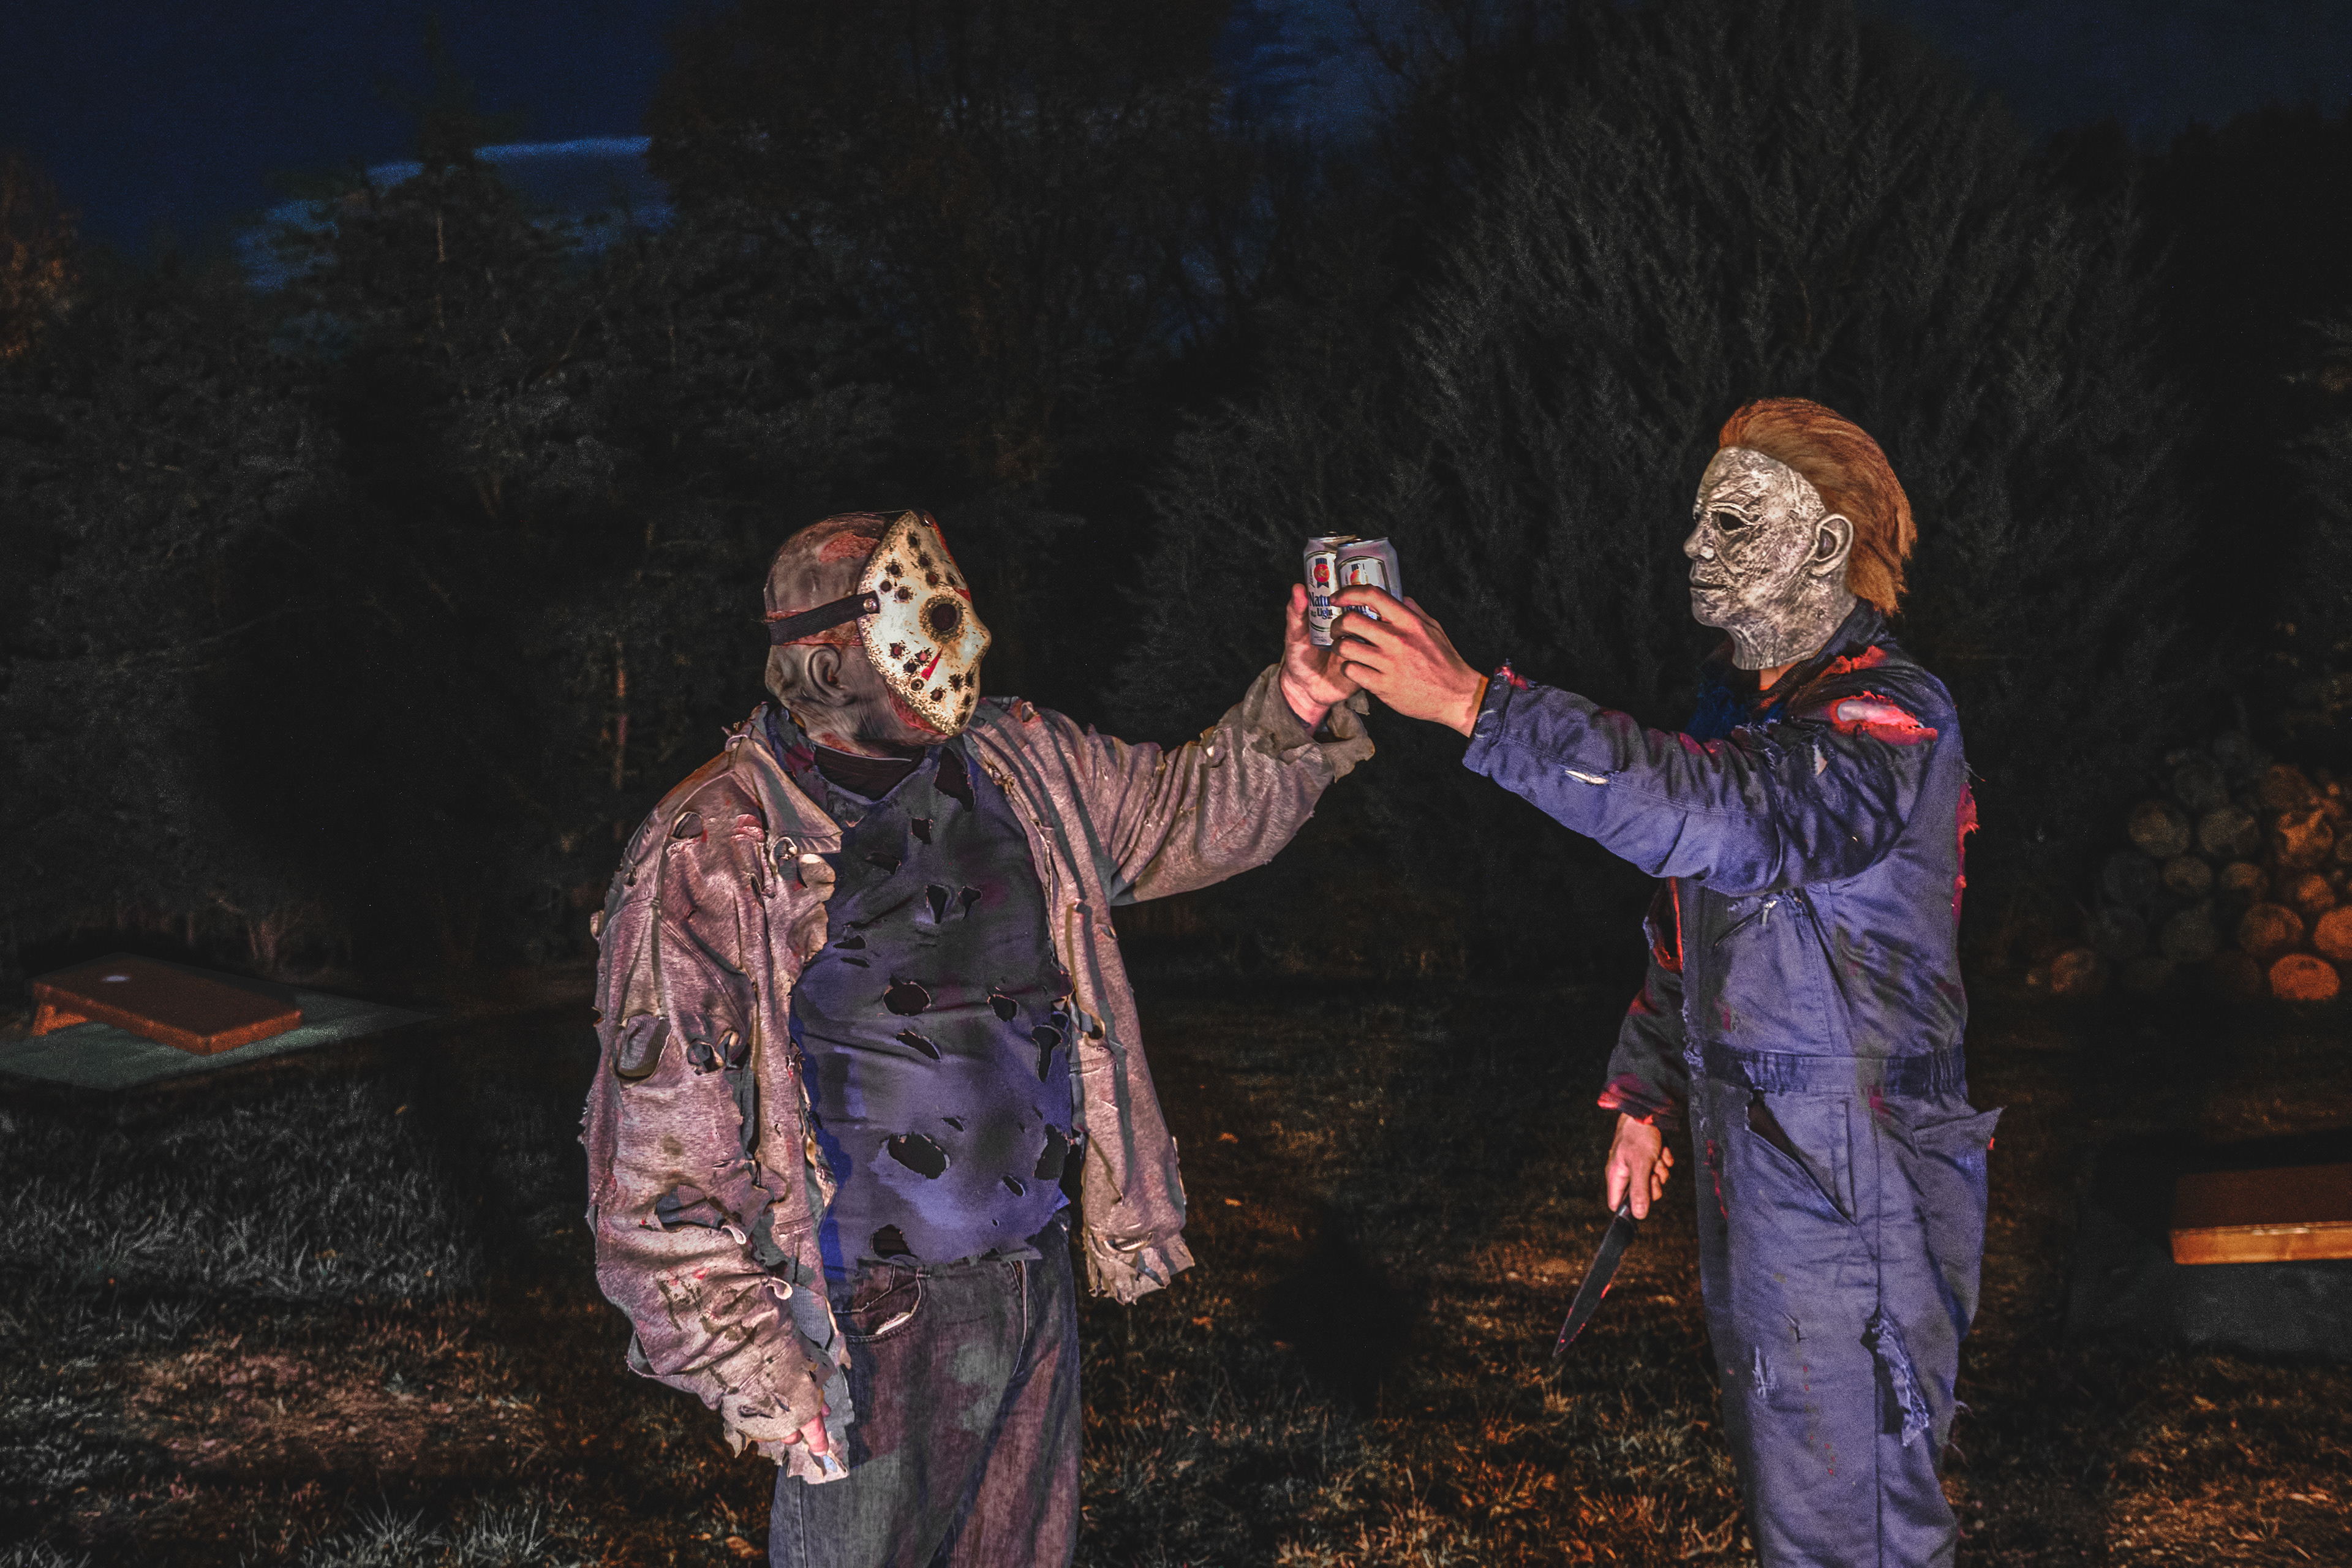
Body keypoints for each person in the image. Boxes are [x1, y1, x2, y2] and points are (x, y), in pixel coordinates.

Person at [579, 509, 1370, 1567]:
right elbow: (658, 1152)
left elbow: (1188, 813)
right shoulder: (714, 849)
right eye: (934, 619)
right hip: (863, 1321)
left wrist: (1301, 703)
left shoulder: (1020, 764)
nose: (973, 641)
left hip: (1029, 1279)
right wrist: (752, 1364)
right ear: (826, 661)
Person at [1333, 400, 1997, 1567]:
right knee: (1799, 1479)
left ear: (1827, 546)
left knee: (1857, 1513)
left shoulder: (1885, 716)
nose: (1694, 545)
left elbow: (1729, 821)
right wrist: (1646, 1096)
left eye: (1732, 521)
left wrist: (1479, 706)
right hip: (1777, 1149)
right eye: (1699, 518)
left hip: (1862, 1164)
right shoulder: (1758, 715)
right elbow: (1693, 930)